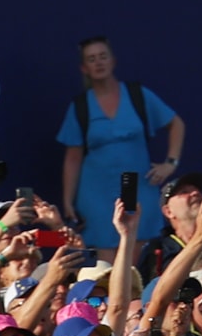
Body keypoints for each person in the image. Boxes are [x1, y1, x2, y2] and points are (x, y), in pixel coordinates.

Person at [56, 37, 180, 249]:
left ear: (113, 61)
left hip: (140, 188)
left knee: (141, 259)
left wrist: (171, 163)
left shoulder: (137, 95)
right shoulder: (80, 106)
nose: (99, 63)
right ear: (84, 68)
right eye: (92, 59)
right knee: (105, 267)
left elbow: (176, 124)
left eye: (103, 56)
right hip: (96, 195)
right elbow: (73, 157)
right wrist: (68, 200)